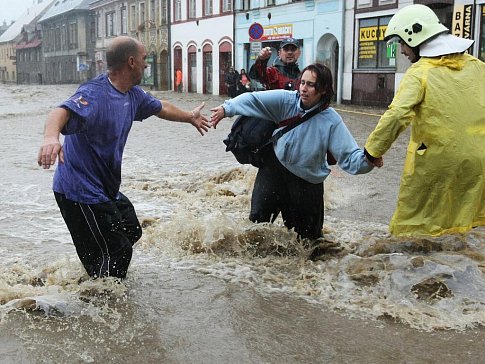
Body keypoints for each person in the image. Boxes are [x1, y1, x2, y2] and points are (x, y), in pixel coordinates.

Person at [37, 36, 211, 279]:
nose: (147, 64)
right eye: (144, 59)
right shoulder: (94, 93)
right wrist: (50, 138)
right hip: (79, 192)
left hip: (104, 189)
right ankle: (99, 302)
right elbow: (61, 111)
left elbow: (161, 107)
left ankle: (93, 278)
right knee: (119, 251)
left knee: (130, 229)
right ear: (131, 62)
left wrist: (189, 117)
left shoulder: (133, 95)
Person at [211, 63, 379, 259]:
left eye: (310, 85)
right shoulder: (286, 101)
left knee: (310, 245)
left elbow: (350, 157)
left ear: (323, 89)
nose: (303, 89)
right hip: (274, 171)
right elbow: (254, 100)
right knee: (255, 232)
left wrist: (369, 160)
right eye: (302, 83)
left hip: (307, 183)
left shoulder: (332, 121)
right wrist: (226, 109)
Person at [364, 4, 485, 237]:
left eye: (401, 42)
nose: (401, 50)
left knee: (411, 231)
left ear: (414, 36)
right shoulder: (479, 67)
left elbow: (397, 114)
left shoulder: (421, 72)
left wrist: (372, 151)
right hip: (479, 163)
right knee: (466, 228)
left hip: (436, 165)